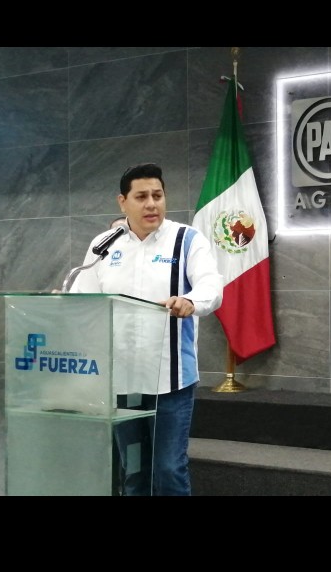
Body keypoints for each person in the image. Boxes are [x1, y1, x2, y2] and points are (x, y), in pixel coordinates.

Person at [70, 162, 223, 495]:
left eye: (157, 195)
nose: (151, 204)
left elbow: (211, 286)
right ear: (122, 202)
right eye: (141, 197)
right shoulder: (104, 245)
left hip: (170, 379)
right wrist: (64, 304)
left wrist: (190, 301)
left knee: (168, 469)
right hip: (122, 379)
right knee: (134, 469)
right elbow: (83, 298)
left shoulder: (187, 240)